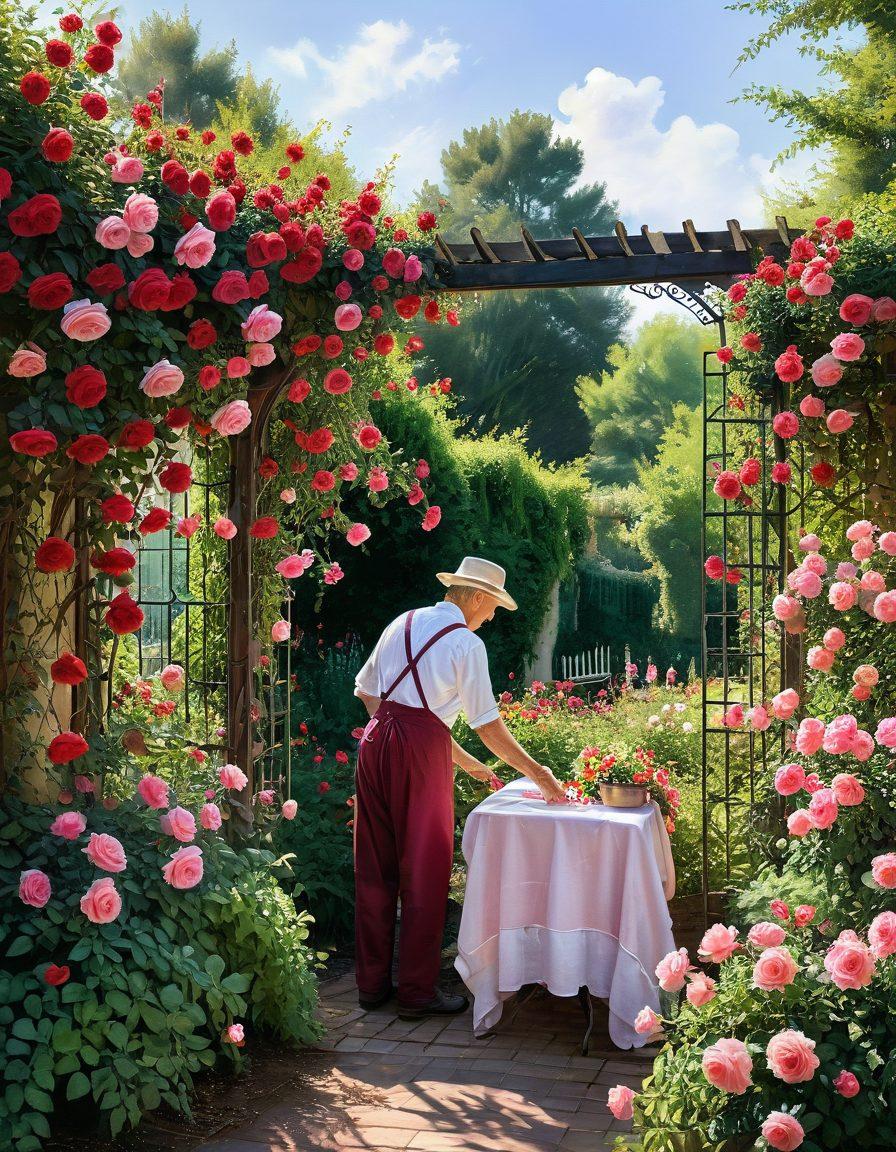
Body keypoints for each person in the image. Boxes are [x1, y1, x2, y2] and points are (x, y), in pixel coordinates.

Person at [353, 556, 566, 1020]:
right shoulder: (465, 645)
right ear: (475, 597)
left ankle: (370, 987)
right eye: (492, 608)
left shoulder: (401, 622)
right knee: (425, 869)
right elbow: (488, 726)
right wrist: (539, 773)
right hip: (418, 751)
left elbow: (368, 693)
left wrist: (458, 759)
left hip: (374, 743)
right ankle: (415, 993)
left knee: (375, 865)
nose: (490, 618)